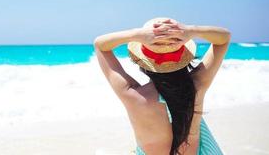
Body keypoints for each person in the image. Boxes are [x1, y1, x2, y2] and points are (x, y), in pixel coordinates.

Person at [93, 17, 231, 155]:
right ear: (185, 56)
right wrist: (190, 30)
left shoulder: (132, 95)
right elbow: (223, 39)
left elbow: (100, 45)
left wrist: (137, 34)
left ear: (142, 62)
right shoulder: (197, 84)